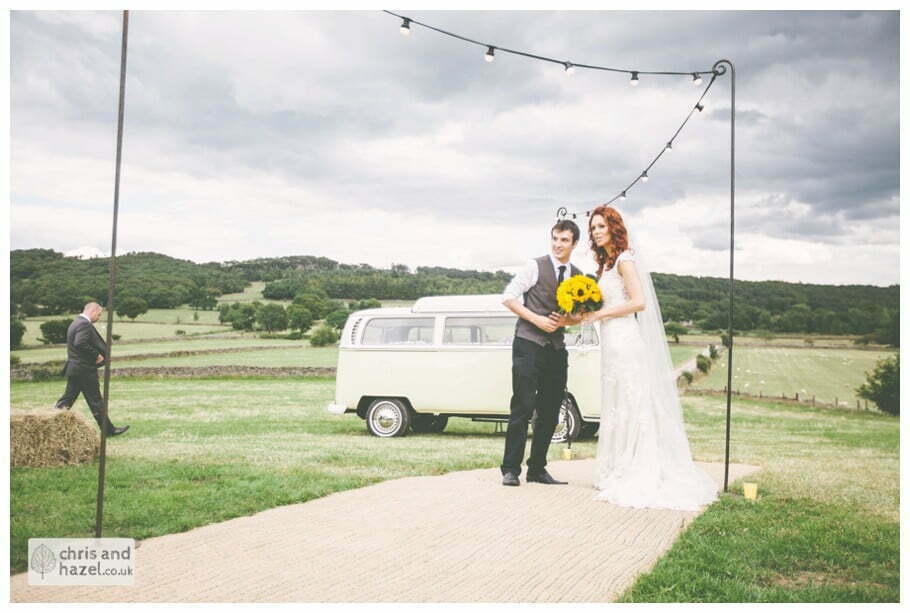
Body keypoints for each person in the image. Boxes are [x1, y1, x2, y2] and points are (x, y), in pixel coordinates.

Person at [572, 205, 717, 510]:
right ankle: (617, 467)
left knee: (632, 402)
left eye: (601, 226)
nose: (596, 232)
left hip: (625, 339)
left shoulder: (625, 260)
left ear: (614, 228)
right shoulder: (605, 265)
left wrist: (602, 313)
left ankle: (637, 467)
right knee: (617, 403)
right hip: (610, 341)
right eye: (593, 228)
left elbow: (639, 302)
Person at [500, 220, 583, 486]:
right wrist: (537, 320)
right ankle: (511, 470)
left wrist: (565, 322)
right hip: (528, 343)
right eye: (555, 239)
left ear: (574, 244)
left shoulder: (578, 276)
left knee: (550, 411)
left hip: (556, 349)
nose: (558, 245)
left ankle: (537, 468)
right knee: (522, 406)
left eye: (565, 240)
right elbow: (508, 297)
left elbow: (579, 316)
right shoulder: (535, 266)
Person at [54, 302, 129, 437]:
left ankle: (49, 422)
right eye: (99, 314)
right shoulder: (84, 324)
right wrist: (97, 355)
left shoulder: (75, 322)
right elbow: (80, 343)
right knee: (95, 400)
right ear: (93, 311)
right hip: (84, 370)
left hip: (75, 368)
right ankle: (109, 431)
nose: (99, 317)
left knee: (67, 399)